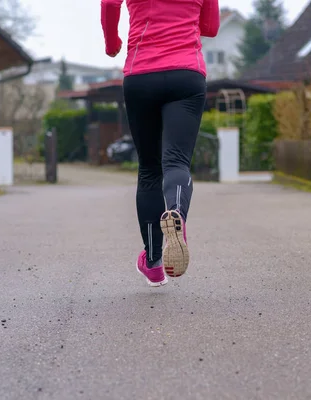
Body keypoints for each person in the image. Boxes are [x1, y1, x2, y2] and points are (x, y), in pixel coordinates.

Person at [100, 0, 220, 286]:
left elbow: (109, 3)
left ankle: (153, 261)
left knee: (150, 169)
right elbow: (211, 28)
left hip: (141, 75)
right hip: (186, 75)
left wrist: (112, 42)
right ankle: (176, 211)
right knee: (176, 161)